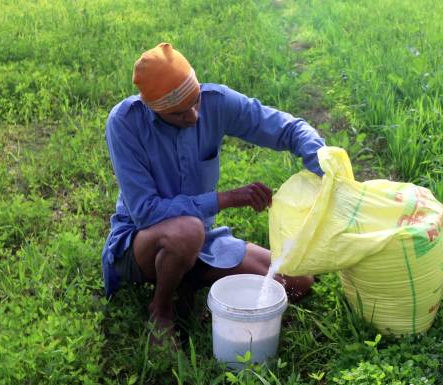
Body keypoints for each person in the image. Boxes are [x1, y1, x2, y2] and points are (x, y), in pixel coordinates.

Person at [101, 43, 323, 343]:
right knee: (187, 232)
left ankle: (188, 281)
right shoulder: (125, 123)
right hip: (142, 243)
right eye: (180, 114)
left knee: (297, 283)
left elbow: (287, 128)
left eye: (196, 103)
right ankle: (161, 309)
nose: (193, 117)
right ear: (155, 109)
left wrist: (324, 164)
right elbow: (145, 212)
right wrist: (228, 199)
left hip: (200, 240)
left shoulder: (215, 101)